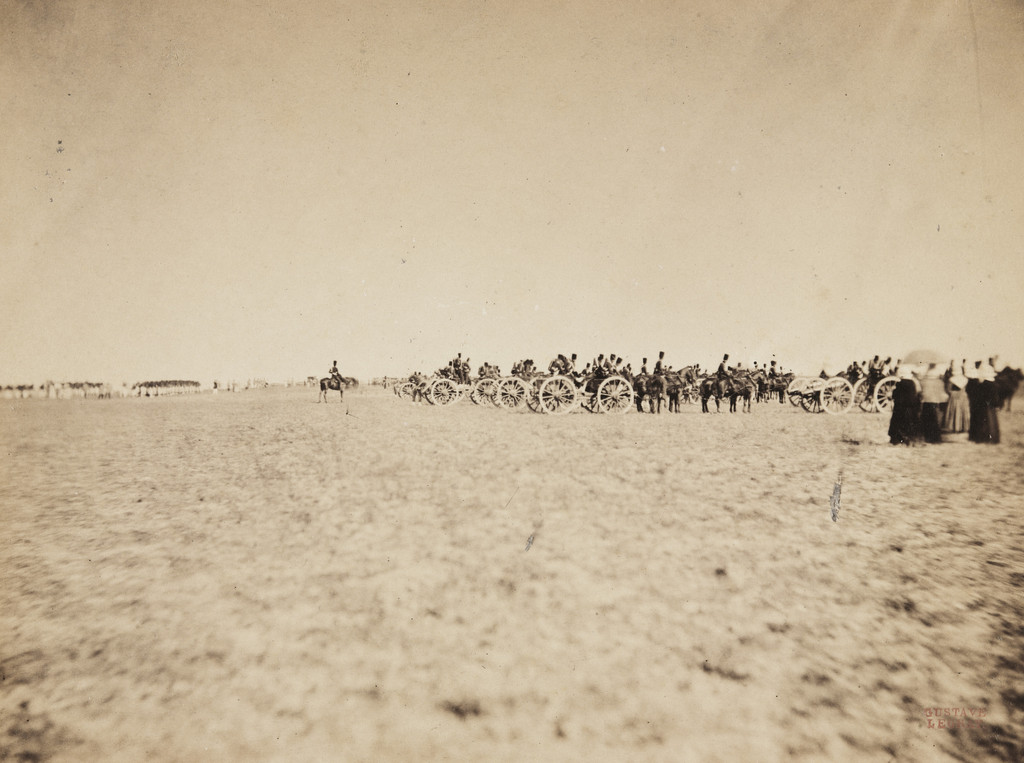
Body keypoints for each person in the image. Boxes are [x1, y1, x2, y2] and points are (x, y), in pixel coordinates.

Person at [888, 365, 922, 445]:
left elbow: (895, 395)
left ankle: (897, 439)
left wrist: (893, 392)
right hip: (910, 407)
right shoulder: (912, 383)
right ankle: (909, 439)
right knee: (909, 423)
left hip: (900, 408)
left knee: (898, 423)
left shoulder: (900, 383)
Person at [918, 363, 947, 444]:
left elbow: (920, 392)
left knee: (926, 420)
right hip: (935, 402)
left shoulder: (923, 381)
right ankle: (935, 438)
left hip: (926, 402)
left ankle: (926, 437)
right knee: (935, 421)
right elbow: (942, 394)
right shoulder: (940, 382)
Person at [942, 362, 970, 440]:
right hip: (963, 396)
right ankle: (963, 426)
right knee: (963, 411)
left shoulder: (951, 380)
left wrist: (952, 393)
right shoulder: (965, 379)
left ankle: (954, 427)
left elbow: (948, 389)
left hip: (954, 396)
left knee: (954, 411)